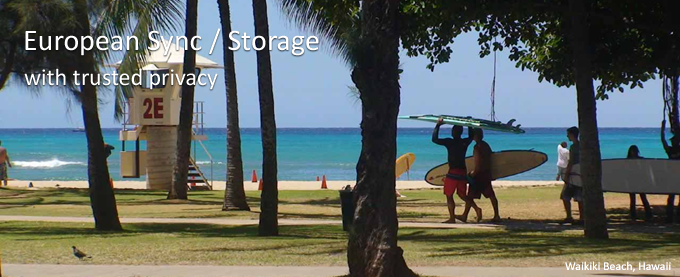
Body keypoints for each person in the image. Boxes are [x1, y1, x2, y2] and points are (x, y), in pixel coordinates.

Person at [432, 119, 482, 223]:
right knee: (462, 195)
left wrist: (438, 126)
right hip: (462, 172)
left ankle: (451, 218)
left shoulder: (449, 142)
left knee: (449, 195)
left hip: (453, 172)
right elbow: (471, 136)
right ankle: (477, 209)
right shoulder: (464, 142)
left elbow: (434, 139)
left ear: (453, 132)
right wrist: (468, 125)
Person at [461, 128, 500, 222]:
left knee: (470, 196)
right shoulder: (486, 145)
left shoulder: (477, 147)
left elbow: (478, 164)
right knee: (491, 195)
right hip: (486, 173)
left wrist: (472, 174)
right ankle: (496, 215)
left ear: (474, 136)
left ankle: (468, 214)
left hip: (479, 175)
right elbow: (492, 158)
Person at [562, 127, 584, 225]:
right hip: (581, 174)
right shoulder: (582, 146)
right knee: (579, 198)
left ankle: (569, 216)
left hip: (573, 174)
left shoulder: (574, 147)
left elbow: (571, 162)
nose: (567, 136)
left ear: (572, 134)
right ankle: (582, 218)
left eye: (568, 134)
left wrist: (566, 174)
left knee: (565, 196)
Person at [661, 120, 680, 223]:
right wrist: (662, 130)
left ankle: (677, 216)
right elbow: (663, 141)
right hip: (672, 176)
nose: (673, 142)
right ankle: (669, 217)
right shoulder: (670, 150)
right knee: (671, 197)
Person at [626, 145, 652, 221]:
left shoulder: (641, 160)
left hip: (640, 182)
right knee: (633, 200)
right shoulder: (627, 161)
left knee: (643, 199)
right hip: (631, 182)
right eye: (632, 151)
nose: (633, 152)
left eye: (634, 151)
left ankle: (649, 215)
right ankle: (633, 217)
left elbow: (645, 170)